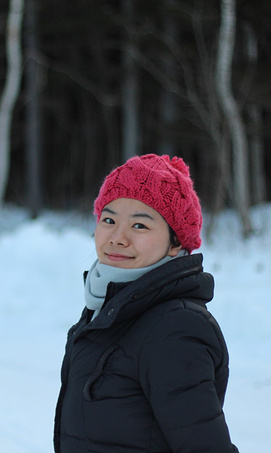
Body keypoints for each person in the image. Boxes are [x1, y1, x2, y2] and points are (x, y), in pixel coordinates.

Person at [53, 154, 238, 452]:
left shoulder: (174, 327)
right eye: (109, 220)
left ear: (175, 242)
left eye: (139, 226)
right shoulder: (108, 308)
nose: (117, 238)